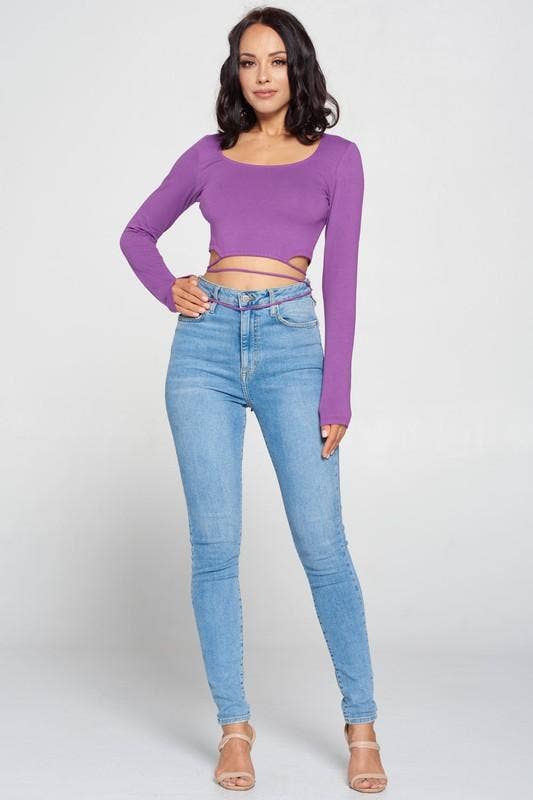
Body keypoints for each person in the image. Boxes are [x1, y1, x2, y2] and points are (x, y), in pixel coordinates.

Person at [119, 6, 388, 794]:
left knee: (321, 544)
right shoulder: (208, 154)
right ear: (234, 72)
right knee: (214, 545)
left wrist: (336, 391)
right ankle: (233, 726)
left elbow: (341, 280)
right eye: (247, 61)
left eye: (274, 60)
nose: (262, 74)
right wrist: (169, 288)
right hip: (203, 350)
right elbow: (137, 234)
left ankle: (361, 725)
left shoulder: (337, 158)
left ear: (297, 68)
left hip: (289, 346)